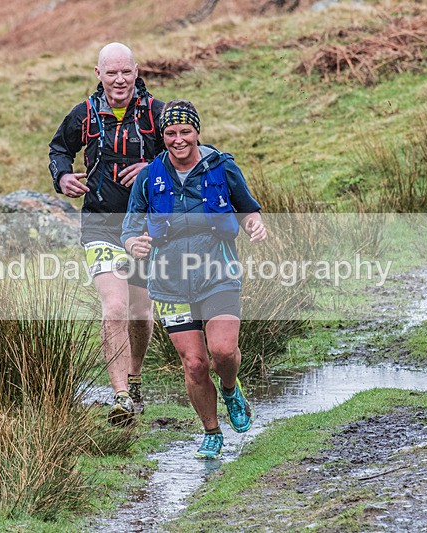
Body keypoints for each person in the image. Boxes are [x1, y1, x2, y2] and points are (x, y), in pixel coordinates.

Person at [122, 100, 267, 459]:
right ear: (163, 136)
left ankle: (230, 389)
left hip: (218, 273)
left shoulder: (222, 166)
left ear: (197, 132)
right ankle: (212, 432)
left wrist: (254, 225)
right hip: (170, 281)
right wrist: (133, 243)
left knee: (222, 351)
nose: (178, 140)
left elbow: (247, 209)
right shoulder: (149, 176)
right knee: (195, 363)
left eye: (185, 131)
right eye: (170, 133)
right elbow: (129, 227)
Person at [49, 43, 164, 426]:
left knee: (140, 313)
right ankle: (120, 397)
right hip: (100, 223)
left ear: (136, 71)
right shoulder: (84, 114)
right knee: (114, 308)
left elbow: (186, 154)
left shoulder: (156, 113)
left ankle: (135, 378)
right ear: (98, 74)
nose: (119, 80)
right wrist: (63, 177)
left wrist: (152, 168)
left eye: (125, 72)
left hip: (145, 226)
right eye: (111, 72)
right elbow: (59, 150)